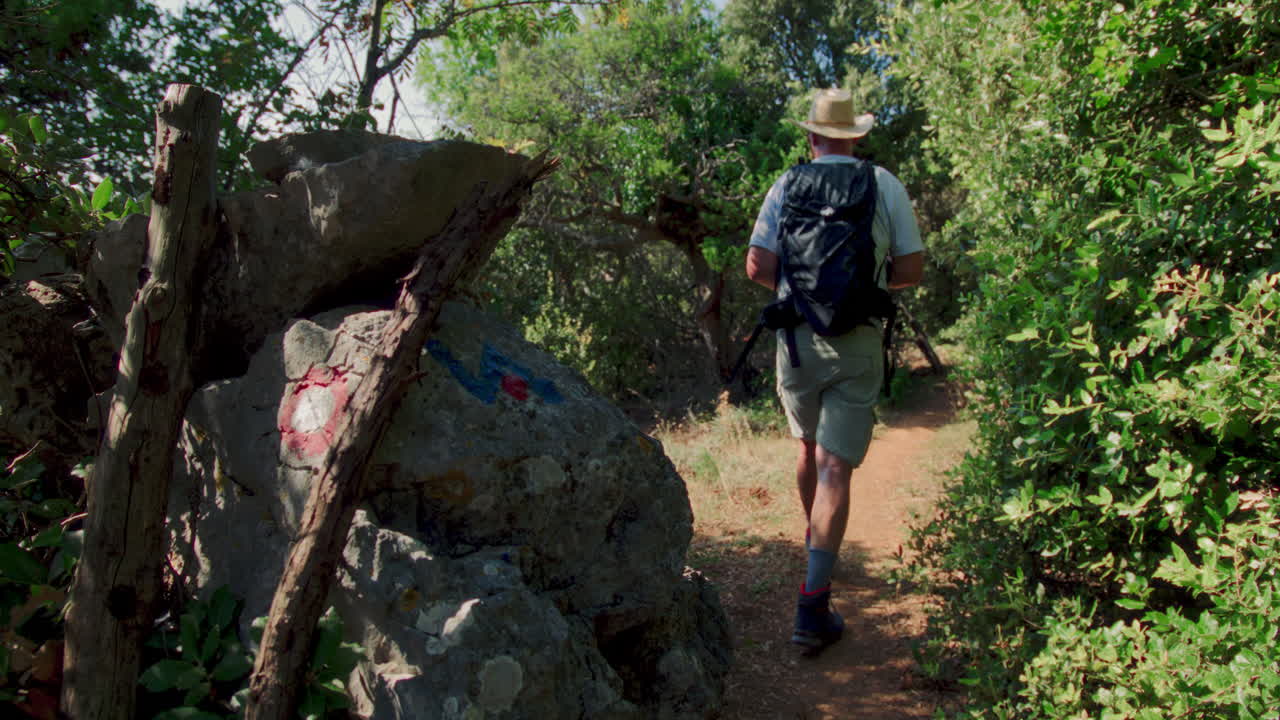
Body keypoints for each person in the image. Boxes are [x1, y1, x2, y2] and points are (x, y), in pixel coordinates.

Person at [745, 88, 925, 655]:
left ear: (812, 136)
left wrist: (801, 292)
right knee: (835, 470)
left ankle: (816, 554)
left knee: (807, 453)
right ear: (856, 136)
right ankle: (813, 602)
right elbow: (912, 269)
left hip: (796, 341)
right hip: (857, 342)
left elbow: (757, 266)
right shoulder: (883, 184)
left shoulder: (786, 185)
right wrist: (863, 289)